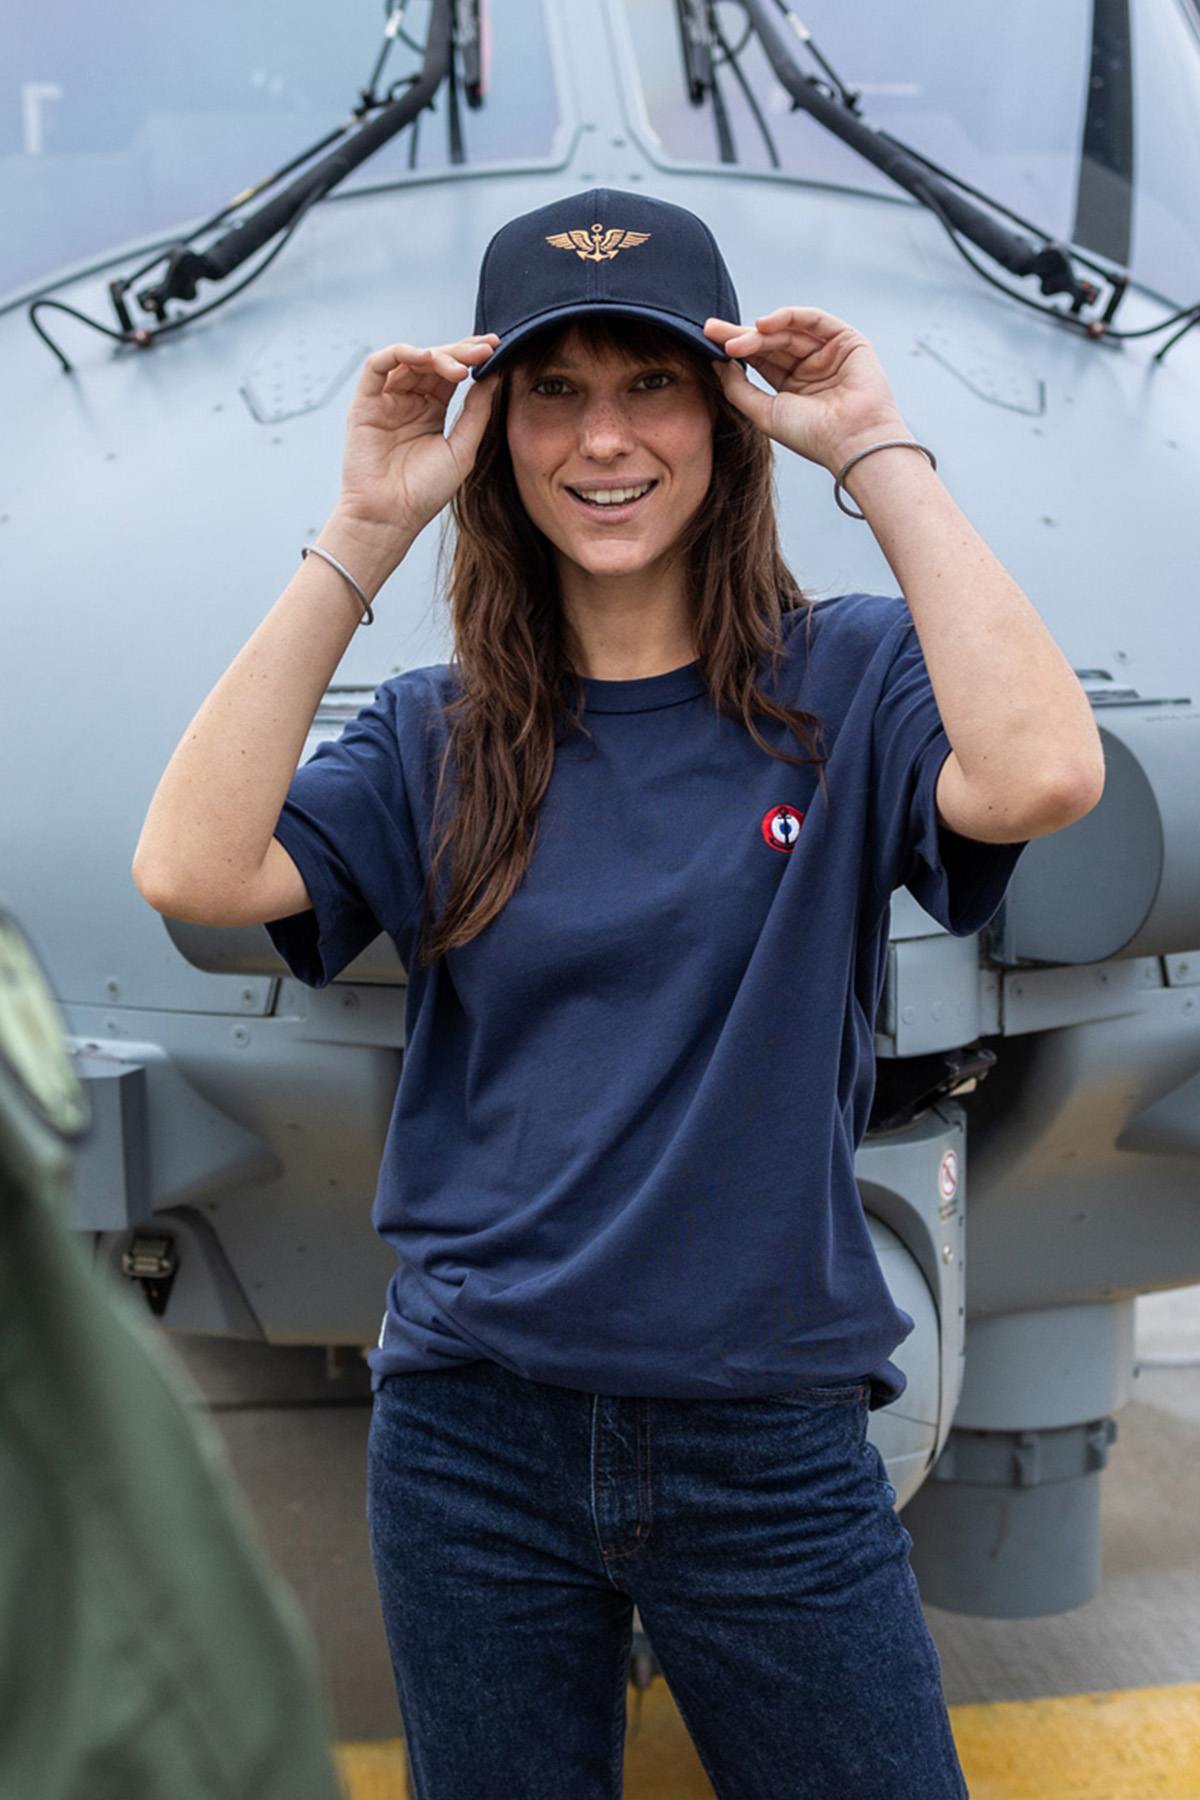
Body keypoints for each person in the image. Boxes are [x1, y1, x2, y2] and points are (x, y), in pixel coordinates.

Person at [131, 187, 1106, 1798]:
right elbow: (194, 869)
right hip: (471, 1440)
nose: (604, 440)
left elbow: (1042, 771)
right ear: (496, 429)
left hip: (767, 1437)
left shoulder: (843, 682)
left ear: (725, 416)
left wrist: (872, 448)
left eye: (650, 383)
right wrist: (367, 528)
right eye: (556, 392)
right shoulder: (440, 733)